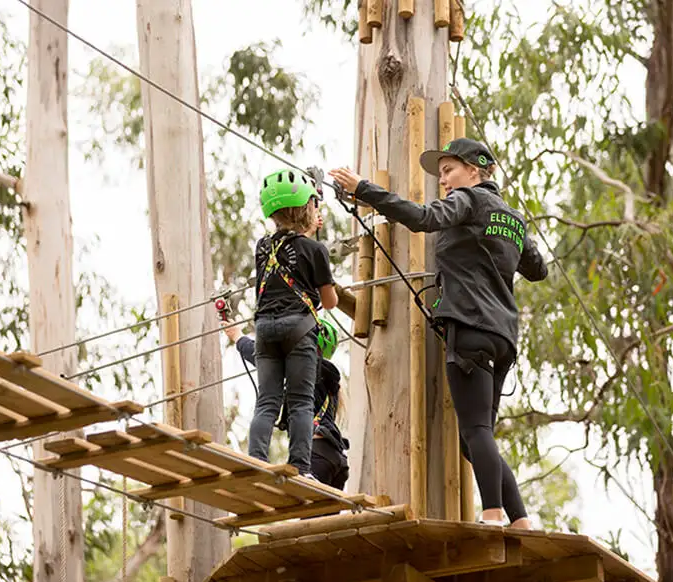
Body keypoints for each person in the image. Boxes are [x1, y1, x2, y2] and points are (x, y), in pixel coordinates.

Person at [329, 138, 548, 528]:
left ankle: (493, 514)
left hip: (470, 327)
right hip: (503, 337)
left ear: (475, 170)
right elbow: (537, 268)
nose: (443, 180)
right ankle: (520, 519)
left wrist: (363, 189)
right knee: (474, 438)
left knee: (477, 430)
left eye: (448, 170)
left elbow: (421, 217)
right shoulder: (513, 218)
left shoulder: (469, 201)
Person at [248, 169, 338, 480]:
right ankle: (301, 467)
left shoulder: (262, 247)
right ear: (305, 208)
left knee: (267, 402)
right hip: (298, 328)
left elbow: (287, 255)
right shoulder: (315, 249)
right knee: (300, 402)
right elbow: (329, 302)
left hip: (264, 329)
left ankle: (256, 460)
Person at [222, 320, 351, 490]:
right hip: (336, 459)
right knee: (320, 516)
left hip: (316, 453)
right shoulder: (328, 380)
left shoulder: (308, 367)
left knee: (307, 514)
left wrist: (238, 337)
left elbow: (264, 358)